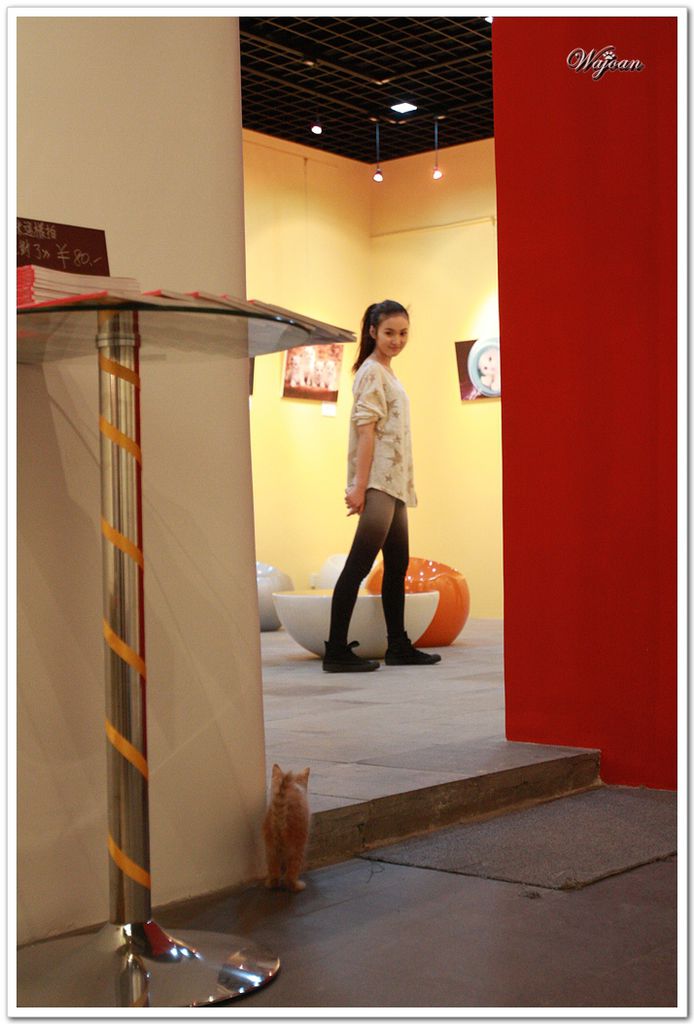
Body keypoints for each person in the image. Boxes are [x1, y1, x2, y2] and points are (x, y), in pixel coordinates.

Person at [323, 300, 442, 673]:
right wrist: (359, 487)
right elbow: (366, 431)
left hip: (394, 484)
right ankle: (336, 650)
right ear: (372, 331)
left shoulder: (387, 372)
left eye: (403, 333)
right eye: (389, 333)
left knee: (397, 564)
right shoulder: (372, 372)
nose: (397, 340)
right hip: (379, 482)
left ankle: (398, 645)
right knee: (359, 565)